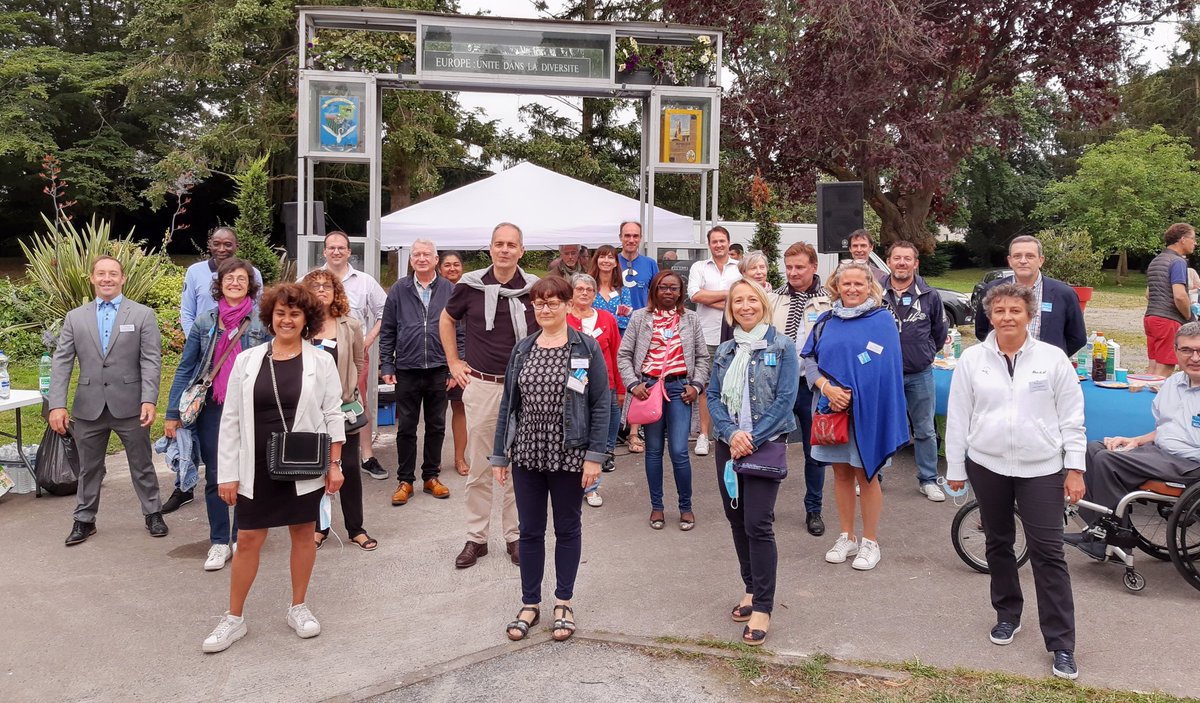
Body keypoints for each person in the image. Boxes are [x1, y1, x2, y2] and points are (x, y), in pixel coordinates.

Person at [945, 282, 1086, 681]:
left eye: (1016, 311)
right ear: (990, 316)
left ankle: (1061, 643)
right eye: (1000, 311)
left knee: (1049, 553)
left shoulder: (1052, 359)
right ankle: (1008, 613)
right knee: (998, 542)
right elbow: (958, 417)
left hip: (1041, 467)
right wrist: (955, 469)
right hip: (987, 464)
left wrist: (1075, 467)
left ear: (1029, 316)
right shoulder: (973, 360)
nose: (1008, 317)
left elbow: (1072, 417)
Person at [202, 284, 347, 654]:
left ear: (306, 320)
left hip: (302, 463)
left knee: (303, 530)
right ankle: (234, 618)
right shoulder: (247, 360)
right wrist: (227, 473)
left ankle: (298, 607)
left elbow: (333, 414)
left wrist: (334, 464)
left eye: (295, 314)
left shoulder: (321, 361)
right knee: (248, 538)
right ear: (270, 317)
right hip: (254, 465)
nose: (287, 320)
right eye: (281, 313)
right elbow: (231, 418)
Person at [490, 276, 609, 643]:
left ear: (568, 305)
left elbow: (602, 404)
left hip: (570, 454)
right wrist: (500, 454)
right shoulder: (523, 349)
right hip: (527, 452)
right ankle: (529, 603)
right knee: (529, 531)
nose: (545, 309)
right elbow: (509, 404)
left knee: (568, 529)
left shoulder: (586, 348)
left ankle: (563, 602)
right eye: (539, 303)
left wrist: (594, 457)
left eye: (553, 302)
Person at [51, 256, 166, 546]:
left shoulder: (142, 315)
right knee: (89, 467)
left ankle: (153, 513)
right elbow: (62, 361)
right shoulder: (75, 317)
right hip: (89, 406)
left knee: (141, 463)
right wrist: (57, 404)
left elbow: (151, 360)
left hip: (130, 404)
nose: (107, 279)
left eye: (113, 274)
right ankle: (84, 520)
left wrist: (149, 399)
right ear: (92, 278)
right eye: (101, 274)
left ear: (123, 278)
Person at [442, 223, 538, 569]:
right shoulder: (470, 286)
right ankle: (476, 539)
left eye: (512, 244)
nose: (505, 250)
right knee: (480, 467)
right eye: (499, 244)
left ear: (521, 251)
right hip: (482, 386)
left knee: (518, 468)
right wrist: (454, 362)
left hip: (524, 389)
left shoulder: (533, 290)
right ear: (490, 248)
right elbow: (446, 319)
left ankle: (514, 536)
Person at [708, 279, 798, 647]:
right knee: (736, 519)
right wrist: (731, 434)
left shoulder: (783, 345)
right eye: (738, 301)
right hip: (729, 444)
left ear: (763, 304)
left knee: (758, 524)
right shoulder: (727, 349)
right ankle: (750, 587)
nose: (745, 306)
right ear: (731, 309)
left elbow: (785, 400)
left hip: (765, 443)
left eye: (751, 300)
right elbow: (713, 396)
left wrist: (752, 438)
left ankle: (762, 605)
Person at [801, 262, 907, 571]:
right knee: (841, 474)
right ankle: (846, 536)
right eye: (845, 284)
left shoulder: (882, 321)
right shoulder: (826, 320)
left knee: (867, 475)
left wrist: (854, 396)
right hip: (830, 411)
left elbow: (885, 369)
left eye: (858, 284)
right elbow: (809, 359)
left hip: (867, 412)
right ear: (837, 286)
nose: (851, 289)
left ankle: (870, 542)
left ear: (869, 286)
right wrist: (826, 387)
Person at [164, 258, 269, 570]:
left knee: (248, 473)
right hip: (213, 407)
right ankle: (219, 541)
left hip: (251, 407)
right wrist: (173, 412)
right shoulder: (205, 321)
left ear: (250, 284)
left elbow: (273, 363)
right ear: (219, 284)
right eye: (229, 278)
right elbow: (187, 366)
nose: (235, 283)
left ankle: (241, 537)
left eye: (241, 278)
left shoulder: (262, 320)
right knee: (215, 475)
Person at [1070, 321, 1200, 559]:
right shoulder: (1173, 384)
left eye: (1199, 351)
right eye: (1187, 350)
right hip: (1162, 452)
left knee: (1108, 461)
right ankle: (1096, 531)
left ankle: (1112, 541)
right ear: (1175, 351)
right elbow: (1166, 428)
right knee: (1094, 448)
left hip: (1190, 465)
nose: (1194, 357)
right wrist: (1136, 440)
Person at [618, 270, 711, 531]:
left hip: (681, 389)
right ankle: (657, 507)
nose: (668, 292)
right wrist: (633, 384)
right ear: (654, 291)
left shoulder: (690, 319)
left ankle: (686, 507)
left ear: (681, 292)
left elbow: (703, 357)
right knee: (654, 451)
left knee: (680, 451)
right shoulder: (640, 317)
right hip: (648, 390)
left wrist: (696, 385)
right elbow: (624, 354)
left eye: (673, 288)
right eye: (662, 288)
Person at [301, 270, 375, 551]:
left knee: (351, 468)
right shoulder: (301, 324)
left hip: (343, 408)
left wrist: (352, 390)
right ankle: (319, 528)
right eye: (315, 286)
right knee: (315, 470)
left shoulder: (350, 325)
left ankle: (356, 528)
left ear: (336, 291)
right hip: (309, 410)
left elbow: (359, 361)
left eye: (327, 286)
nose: (321, 290)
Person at [379, 239, 453, 506]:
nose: (421, 258)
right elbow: (387, 330)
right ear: (411, 260)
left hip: (439, 368)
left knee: (436, 426)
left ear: (436, 259)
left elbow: (461, 330)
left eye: (426, 255)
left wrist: (455, 365)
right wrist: (387, 364)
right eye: (416, 255)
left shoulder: (449, 289)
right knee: (407, 427)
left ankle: (431, 477)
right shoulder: (399, 289)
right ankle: (405, 480)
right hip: (407, 369)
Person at [772, 242, 832, 536]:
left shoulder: (829, 303)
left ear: (814, 267)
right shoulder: (773, 300)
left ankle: (814, 509)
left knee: (814, 452)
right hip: (778, 385)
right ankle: (765, 504)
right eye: (789, 267)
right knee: (770, 446)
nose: (793, 272)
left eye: (799, 267)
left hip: (812, 387)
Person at [881, 241, 948, 502]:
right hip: (885, 376)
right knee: (882, 427)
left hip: (919, 374)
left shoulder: (929, 295)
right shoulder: (876, 293)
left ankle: (928, 480)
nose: (901, 263)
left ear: (915, 263)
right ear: (888, 261)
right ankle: (875, 476)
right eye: (897, 258)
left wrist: (926, 353)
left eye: (907, 259)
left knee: (925, 430)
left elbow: (939, 333)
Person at [320, 231, 389, 480]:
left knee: (357, 403)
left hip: (353, 354)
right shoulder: (311, 280)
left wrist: (368, 339)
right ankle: (320, 456)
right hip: (318, 353)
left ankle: (366, 456)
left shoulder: (364, 281)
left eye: (341, 248)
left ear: (349, 251)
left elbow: (386, 311)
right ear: (324, 251)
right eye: (331, 248)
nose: (336, 252)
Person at [974, 235, 1087, 359]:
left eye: (1030, 256)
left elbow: (1077, 338)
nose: (1023, 261)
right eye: (1017, 256)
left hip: (1047, 369)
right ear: (1010, 261)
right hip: (1002, 364)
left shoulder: (1064, 293)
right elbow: (982, 330)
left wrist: (1054, 360)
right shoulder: (992, 290)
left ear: (1041, 260)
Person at [566, 273, 622, 507]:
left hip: (604, 385)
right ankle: (571, 486)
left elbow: (617, 353)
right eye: (579, 289)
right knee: (576, 437)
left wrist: (620, 387)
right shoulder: (565, 318)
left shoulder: (607, 319)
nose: (584, 293)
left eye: (589, 290)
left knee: (597, 438)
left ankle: (591, 488)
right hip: (572, 388)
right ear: (572, 292)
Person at [686, 226, 742, 456]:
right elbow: (695, 295)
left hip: (735, 335)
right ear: (709, 244)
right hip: (706, 335)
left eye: (722, 241)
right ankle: (703, 435)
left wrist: (712, 297)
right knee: (706, 388)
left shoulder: (740, 268)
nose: (718, 245)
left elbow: (745, 295)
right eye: (714, 241)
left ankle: (730, 433)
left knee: (734, 386)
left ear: (729, 242)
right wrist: (729, 295)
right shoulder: (699, 267)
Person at [590, 243, 639, 451]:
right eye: (602, 257)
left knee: (616, 391)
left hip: (619, 344)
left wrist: (613, 318)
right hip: (595, 346)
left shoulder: (623, 290)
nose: (606, 261)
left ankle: (612, 443)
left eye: (610, 257)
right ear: (596, 260)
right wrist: (616, 316)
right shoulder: (588, 288)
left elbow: (627, 320)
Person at [180, 226, 263, 337]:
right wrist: (194, 341)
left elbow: (258, 310)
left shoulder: (252, 273)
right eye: (216, 244)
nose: (221, 249)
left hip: (241, 339)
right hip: (204, 339)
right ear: (210, 245)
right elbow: (187, 313)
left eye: (228, 244)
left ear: (236, 246)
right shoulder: (194, 272)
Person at [1143, 223, 1197, 377]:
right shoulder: (1178, 262)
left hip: (1151, 317)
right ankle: (1157, 401)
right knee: (1165, 368)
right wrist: (1188, 317)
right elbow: (1179, 295)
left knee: (1153, 366)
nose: (1195, 243)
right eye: (1193, 238)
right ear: (1182, 239)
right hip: (1168, 319)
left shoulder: (1156, 260)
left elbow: (1148, 293)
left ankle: (1143, 400)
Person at [438, 251, 471, 476]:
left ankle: (460, 458)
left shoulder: (469, 290)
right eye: (447, 265)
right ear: (440, 268)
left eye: (456, 265)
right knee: (435, 412)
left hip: (461, 359)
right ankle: (434, 459)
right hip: (436, 359)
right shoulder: (436, 291)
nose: (452, 269)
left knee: (459, 408)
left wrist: (460, 361)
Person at [617, 221, 659, 332]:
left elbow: (657, 294)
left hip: (642, 325)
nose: (631, 240)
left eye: (635, 236)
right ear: (620, 237)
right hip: (616, 325)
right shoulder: (610, 262)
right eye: (627, 236)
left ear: (640, 238)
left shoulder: (650, 264)